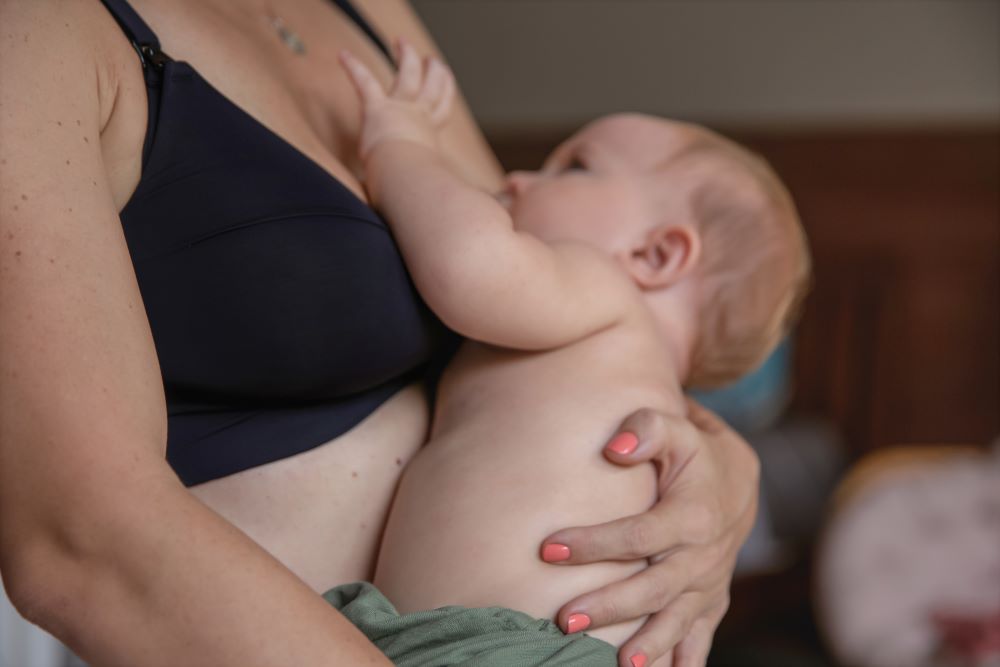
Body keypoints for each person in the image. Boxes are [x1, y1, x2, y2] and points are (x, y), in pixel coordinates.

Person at [0, 1, 762, 665]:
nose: (527, 176)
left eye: (574, 164)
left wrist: (725, 471)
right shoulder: (37, 33)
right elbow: (80, 541)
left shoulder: (371, 11)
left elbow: (534, 304)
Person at [321, 46, 811, 667]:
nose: (517, 180)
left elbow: (470, 267)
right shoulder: (629, 372)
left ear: (655, 256)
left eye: (574, 167)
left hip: (516, 648)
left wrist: (400, 148)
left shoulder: (604, 288)